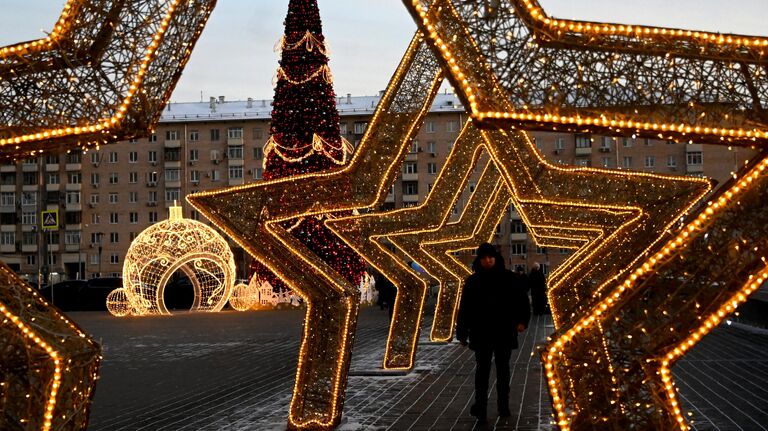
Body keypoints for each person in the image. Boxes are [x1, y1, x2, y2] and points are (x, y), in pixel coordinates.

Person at [456, 243, 531, 423]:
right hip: (481, 332)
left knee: (503, 370)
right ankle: (481, 408)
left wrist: (522, 321)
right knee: (482, 371)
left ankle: (503, 406)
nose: (487, 261)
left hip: (503, 331)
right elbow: (465, 308)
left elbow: (522, 301)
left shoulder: (509, 278)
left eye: (490, 257)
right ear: (479, 260)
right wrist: (462, 332)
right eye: (483, 258)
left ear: (496, 259)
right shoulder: (472, 281)